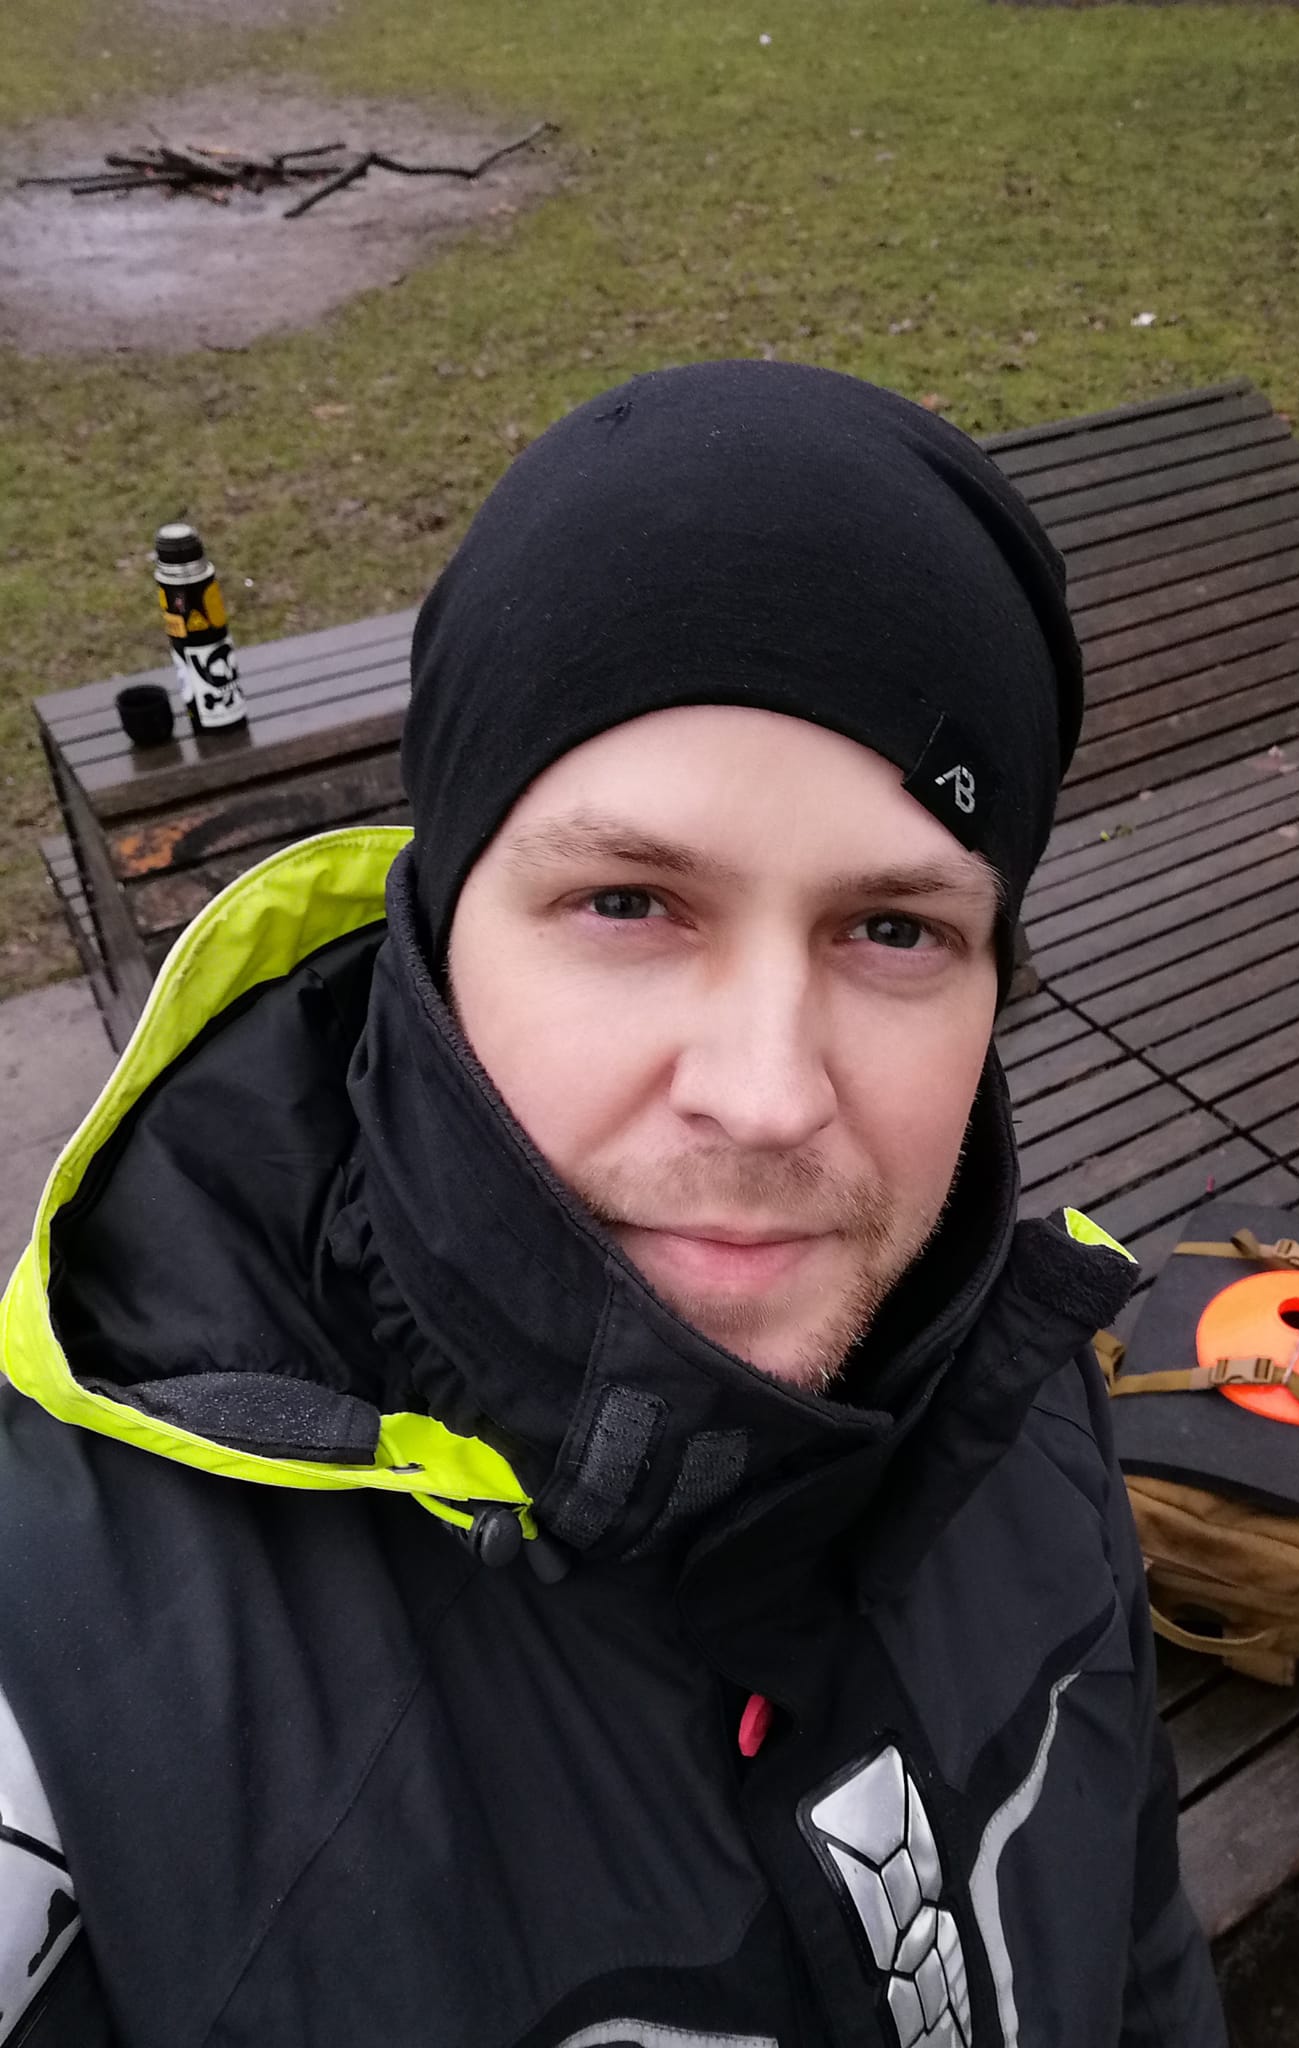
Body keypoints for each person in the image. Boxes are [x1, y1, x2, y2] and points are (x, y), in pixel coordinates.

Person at [0, 362, 1226, 2047]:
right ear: (439, 938)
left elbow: (1142, 1954)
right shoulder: (65, 1689)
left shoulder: (1023, 1409)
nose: (767, 1092)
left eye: (895, 931)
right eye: (631, 902)